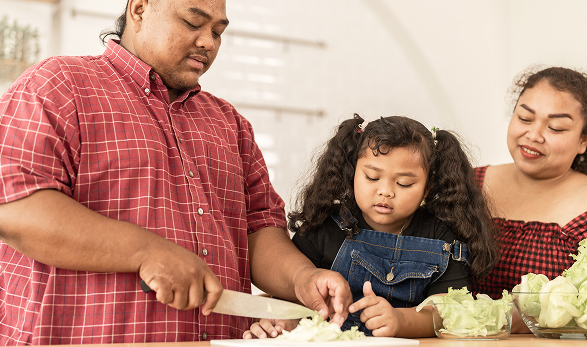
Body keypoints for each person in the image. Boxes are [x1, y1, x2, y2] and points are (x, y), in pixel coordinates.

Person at [0, 0, 351, 344]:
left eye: (217, 31)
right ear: (139, 9)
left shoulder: (230, 124)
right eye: (192, 22)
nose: (208, 42)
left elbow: (258, 230)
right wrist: (146, 252)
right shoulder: (59, 84)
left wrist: (302, 279)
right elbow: (14, 210)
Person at [243, 114, 500, 339]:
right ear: (353, 171)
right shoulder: (324, 226)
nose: (385, 192)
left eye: (404, 184)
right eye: (372, 177)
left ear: (428, 187)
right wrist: (283, 321)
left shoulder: (443, 238)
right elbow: (294, 296)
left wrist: (401, 322)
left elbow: (448, 312)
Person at [471, 66, 587, 333]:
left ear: (584, 140)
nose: (534, 135)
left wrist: (538, 318)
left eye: (556, 127)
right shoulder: (466, 186)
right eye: (525, 118)